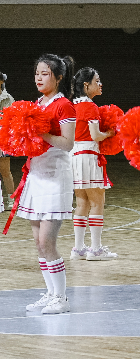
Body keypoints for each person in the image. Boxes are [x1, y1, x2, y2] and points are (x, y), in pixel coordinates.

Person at [19, 55, 76, 314]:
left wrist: (40, 133)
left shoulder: (64, 105)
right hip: (36, 174)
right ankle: (50, 293)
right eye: (37, 73)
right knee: (38, 243)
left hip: (55, 177)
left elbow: (68, 143)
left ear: (59, 77)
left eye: (45, 74)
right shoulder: (36, 103)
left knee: (47, 242)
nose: (39, 78)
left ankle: (61, 298)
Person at [69, 67, 117, 261]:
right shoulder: (89, 106)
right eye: (97, 81)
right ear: (86, 85)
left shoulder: (72, 105)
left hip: (74, 156)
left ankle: (78, 249)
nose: (100, 84)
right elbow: (96, 135)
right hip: (88, 155)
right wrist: (110, 134)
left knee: (82, 203)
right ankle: (95, 249)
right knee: (97, 202)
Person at [0, 72, 15, 208]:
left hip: (3, 138)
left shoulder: (8, 98)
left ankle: (11, 200)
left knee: (5, 170)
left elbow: (13, 120)